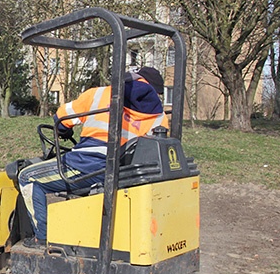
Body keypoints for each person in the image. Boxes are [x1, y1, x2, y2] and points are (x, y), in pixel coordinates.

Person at [18, 66, 168, 247]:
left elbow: (61, 117)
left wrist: (63, 130)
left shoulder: (100, 94)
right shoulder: (159, 115)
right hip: (122, 171)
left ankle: (41, 238)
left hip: (87, 165)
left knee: (27, 176)